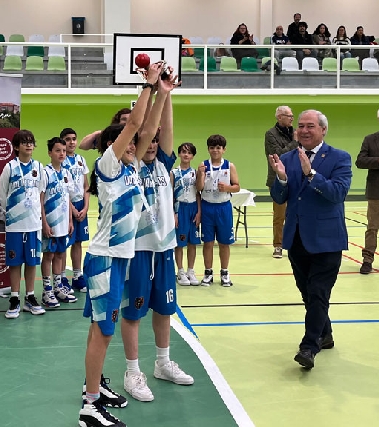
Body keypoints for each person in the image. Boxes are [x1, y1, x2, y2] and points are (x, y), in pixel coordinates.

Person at [78, 63, 162, 427]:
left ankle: (91, 390)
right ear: (114, 146)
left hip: (118, 261)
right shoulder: (109, 167)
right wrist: (146, 85)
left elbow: (148, 129)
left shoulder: (132, 168)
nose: (135, 144)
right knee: (104, 331)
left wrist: (162, 93)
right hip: (104, 261)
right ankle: (90, 407)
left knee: (99, 330)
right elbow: (132, 127)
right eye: (127, 142)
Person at [120, 77, 194, 404]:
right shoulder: (129, 166)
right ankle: (132, 371)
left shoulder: (165, 163)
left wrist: (168, 94)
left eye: (155, 142)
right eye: (145, 142)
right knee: (133, 312)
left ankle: (163, 363)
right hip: (136, 250)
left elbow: (163, 128)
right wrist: (154, 93)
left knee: (165, 309)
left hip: (164, 250)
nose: (152, 144)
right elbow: (147, 127)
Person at [269, 110, 351, 369]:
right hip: (297, 238)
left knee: (318, 292)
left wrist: (312, 174)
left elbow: (338, 193)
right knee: (308, 294)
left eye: (310, 126)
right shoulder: (286, 158)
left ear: (323, 130)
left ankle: (309, 347)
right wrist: (281, 178)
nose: (303, 130)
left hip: (327, 239)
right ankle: (324, 334)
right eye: (300, 126)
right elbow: (280, 197)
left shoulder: (340, 158)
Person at [0, 130, 46, 319]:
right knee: (15, 262)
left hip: (34, 224)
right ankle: (15, 298)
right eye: (24, 142)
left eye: (31, 142)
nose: (28, 145)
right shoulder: (9, 167)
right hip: (15, 225)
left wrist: (38, 216)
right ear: (16, 147)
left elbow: (40, 192)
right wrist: (10, 214)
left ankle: (31, 297)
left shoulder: (39, 167)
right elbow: (2, 194)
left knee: (32, 261)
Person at [196, 135, 240, 287]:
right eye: (212, 147)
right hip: (208, 206)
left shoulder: (230, 166)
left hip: (223, 207)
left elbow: (237, 186)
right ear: (208, 149)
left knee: (224, 243)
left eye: (218, 148)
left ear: (224, 149)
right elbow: (199, 188)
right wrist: (201, 174)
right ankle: (208, 272)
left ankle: (225, 272)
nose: (215, 150)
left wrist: (227, 188)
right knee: (207, 242)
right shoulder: (203, 165)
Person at [40, 137, 76, 308]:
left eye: (63, 150)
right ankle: (47, 291)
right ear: (49, 153)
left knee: (61, 255)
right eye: (57, 150)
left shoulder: (66, 173)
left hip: (63, 224)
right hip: (50, 224)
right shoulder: (45, 173)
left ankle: (58, 287)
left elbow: (67, 198)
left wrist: (70, 220)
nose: (61, 153)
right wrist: (44, 223)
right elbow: (40, 200)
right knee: (48, 255)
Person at [265, 106, 299, 258]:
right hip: (278, 180)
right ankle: (278, 245)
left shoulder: (296, 133)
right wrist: (295, 143)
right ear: (279, 117)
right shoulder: (271, 134)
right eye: (288, 115)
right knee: (279, 215)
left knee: (298, 213)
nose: (292, 118)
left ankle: (296, 244)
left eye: (292, 115)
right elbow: (278, 155)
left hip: (297, 178)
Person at [355, 107, 379, 274]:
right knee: (372, 227)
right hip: (377, 189)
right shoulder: (370, 139)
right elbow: (360, 161)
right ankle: (368, 259)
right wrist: (378, 160)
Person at [61, 127, 90, 293]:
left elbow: (86, 186)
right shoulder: (61, 161)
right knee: (66, 242)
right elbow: (63, 189)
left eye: (73, 138)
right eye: (67, 139)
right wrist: (71, 208)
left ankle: (78, 276)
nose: (71, 142)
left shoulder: (81, 159)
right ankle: (63, 277)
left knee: (78, 241)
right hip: (66, 206)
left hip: (81, 205)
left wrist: (85, 207)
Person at [173, 143, 201, 285]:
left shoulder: (195, 173)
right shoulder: (174, 173)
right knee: (179, 243)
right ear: (179, 154)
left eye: (189, 153)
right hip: (180, 208)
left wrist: (199, 212)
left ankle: (191, 270)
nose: (186, 155)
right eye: (183, 152)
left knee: (192, 242)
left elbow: (197, 194)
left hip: (192, 209)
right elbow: (170, 195)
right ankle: (180, 271)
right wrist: (174, 213)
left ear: (193, 156)